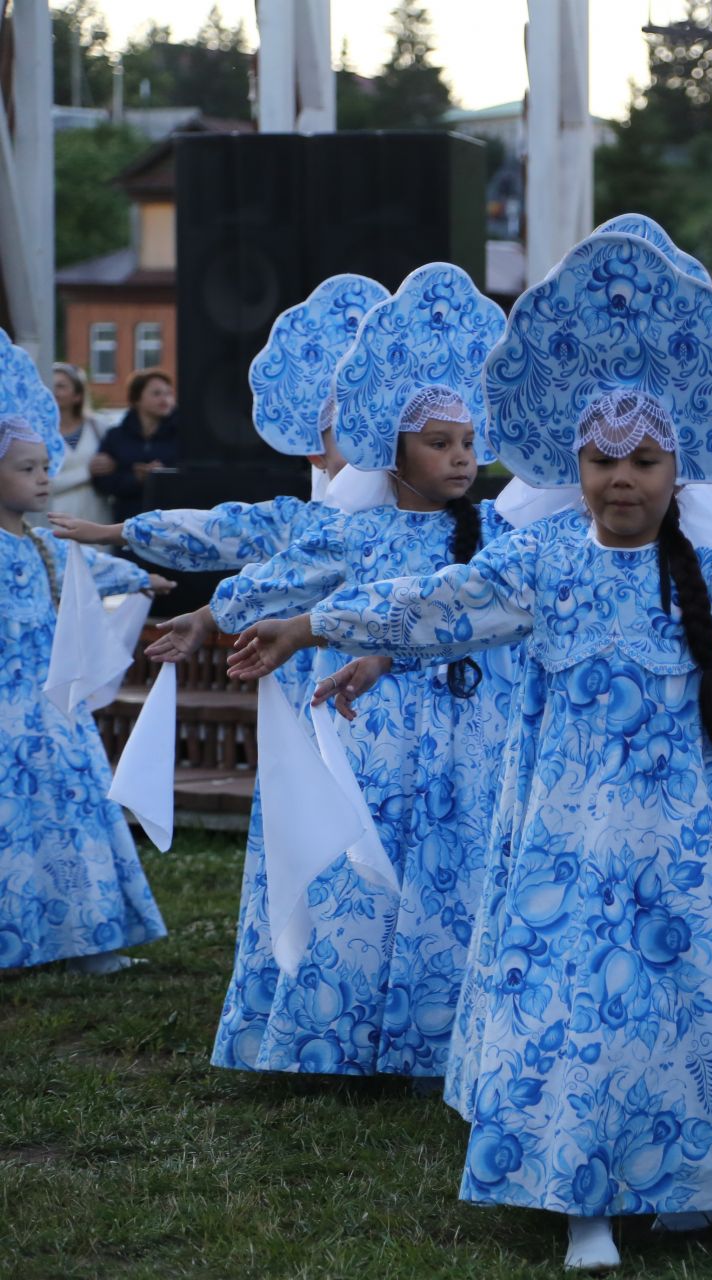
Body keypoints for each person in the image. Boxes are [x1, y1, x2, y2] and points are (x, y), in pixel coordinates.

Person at [221, 233, 712, 1272]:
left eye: (643, 461)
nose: (620, 481)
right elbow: (432, 602)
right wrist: (313, 625)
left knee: (702, 992)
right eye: (602, 461)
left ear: (676, 465)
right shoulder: (541, 561)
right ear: (574, 462)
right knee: (589, 1002)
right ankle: (584, 1198)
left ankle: (700, 1167)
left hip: (703, 834)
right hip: (577, 837)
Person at [51, 275, 398, 1071]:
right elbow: (231, 535)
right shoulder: (316, 517)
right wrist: (124, 536)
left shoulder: (421, 524)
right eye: (346, 430)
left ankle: (396, 1023)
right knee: (326, 854)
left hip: (405, 721)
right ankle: (322, 1020)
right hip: (323, 705)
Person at [199, 264, 516, 1082]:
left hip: (463, 739)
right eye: (439, 444)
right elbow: (268, 585)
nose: (459, 459)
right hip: (363, 734)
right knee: (361, 881)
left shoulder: (494, 534)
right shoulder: (358, 531)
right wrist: (211, 615)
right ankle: (337, 1034)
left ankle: (437, 1040)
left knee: (448, 876)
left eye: (469, 443)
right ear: (392, 446)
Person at [0, 328, 169, 975]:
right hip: (9, 722)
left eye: (47, 468)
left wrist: (143, 576)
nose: (45, 479)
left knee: (70, 825)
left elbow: (91, 571)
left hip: (55, 719)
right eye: (27, 469)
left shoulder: (43, 547)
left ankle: (82, 940)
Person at [91, 368, 181, 522]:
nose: (165, 399)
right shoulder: (117, 436)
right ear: (137, 399)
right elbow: (103, 482)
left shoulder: (182, 435)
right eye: (156, 393)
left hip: (171, 520)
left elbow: (191, 474)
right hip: (128, 521)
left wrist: (163, 475)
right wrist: (135, 478)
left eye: (169, 393)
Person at [48, 362, 113, 523]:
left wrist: (112, 465)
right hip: (56, 525)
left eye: (61, 386)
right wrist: (87, 472)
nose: (53, 391)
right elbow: (41, 484)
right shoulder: (38, 433)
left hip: (97, 522)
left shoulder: (99, 427)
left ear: (77, 395)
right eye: (49, 385)